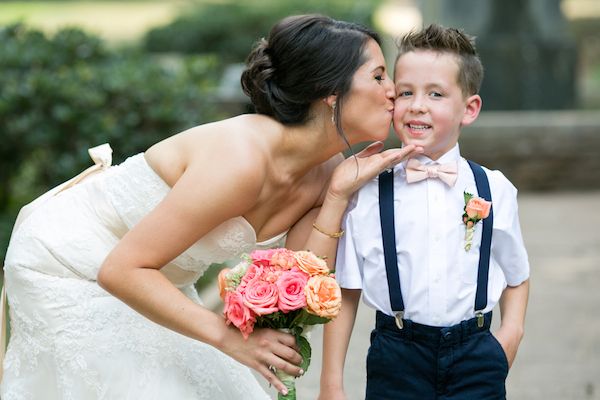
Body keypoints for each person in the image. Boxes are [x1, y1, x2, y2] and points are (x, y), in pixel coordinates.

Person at [0, 14, 421, 400]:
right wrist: (228, 338)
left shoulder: (325, 173)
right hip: (69, 261)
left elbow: (294, 290)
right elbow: (120, 269)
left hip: (153, 279)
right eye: (380, 75)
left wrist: (336, 197)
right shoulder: (241, 159)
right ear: (331, 93)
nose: (393, 91)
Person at [318, 24, 530, 400]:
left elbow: (516, 273)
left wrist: (510, 334)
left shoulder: (493, 189)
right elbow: (346, 290)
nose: (417, 105)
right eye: (406, 92)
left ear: (469, 108)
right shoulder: (367, 193)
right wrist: (331, 384)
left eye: (435, 94)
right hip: (397, 354)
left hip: (476, 354)